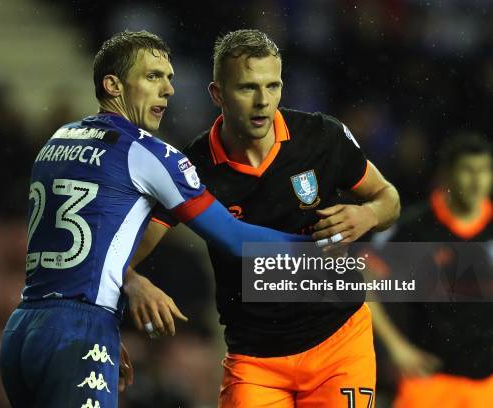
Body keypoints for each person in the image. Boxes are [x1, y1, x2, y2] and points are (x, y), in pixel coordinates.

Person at [0, 30, 312, 408]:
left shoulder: (59, 140)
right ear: (112, 85)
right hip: (78, 331)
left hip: (22, 331)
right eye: (153, 76)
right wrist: (323, 252)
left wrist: (117, 303)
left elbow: (89, 244)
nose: (168, 90)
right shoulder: (149, 153)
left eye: (170, 78)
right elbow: (233, 237)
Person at [127, 29, 400, 407]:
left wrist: (367, 214)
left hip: (338, 342)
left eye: (272, 86)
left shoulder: (321, 137)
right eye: (247, 88)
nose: (262, 101)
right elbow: (129, 251)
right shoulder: (193, 166)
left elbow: (389, 198)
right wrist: (130, 279)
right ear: (217, 94)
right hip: (255, 359)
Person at [374, 133, 492, 407]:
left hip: (487, 384)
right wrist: (397, 348)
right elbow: (362, 282)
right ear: (448, 174)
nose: (477, 181)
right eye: (467, 170)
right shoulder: (418, 229)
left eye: (485, 170)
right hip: (428, 383)